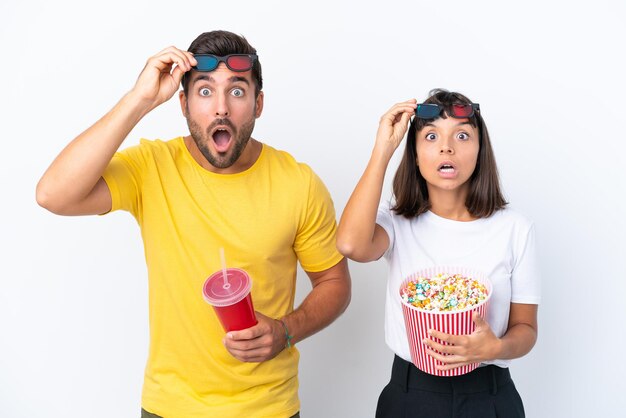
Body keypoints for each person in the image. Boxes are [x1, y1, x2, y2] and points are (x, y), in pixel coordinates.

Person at [36, 30, 351, 418]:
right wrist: (140, 100)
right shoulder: (151, 167)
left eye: (237, 92)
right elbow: (53, 194)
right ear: (182, 103)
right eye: (204, 91)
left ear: (258, 104)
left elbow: (334, 283)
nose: (221, 108)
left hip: (267, 408)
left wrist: (285, 332)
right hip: (169, 407)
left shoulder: (299, 183)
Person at [336, 89, 540, 417]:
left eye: (462, 135)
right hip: (411, 395)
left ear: (479, 149)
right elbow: (350, 245)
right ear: (415, 154)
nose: (447, 146)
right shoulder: (397, 221)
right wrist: (382, 150)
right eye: (431, 136)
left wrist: (496, 347)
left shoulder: (515, 229)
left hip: (489, 395)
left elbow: (526, 329)